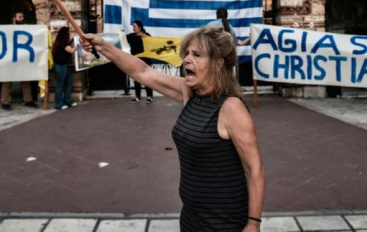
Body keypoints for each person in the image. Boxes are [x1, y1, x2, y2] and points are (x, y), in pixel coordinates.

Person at [83, 25, 265, 230]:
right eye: (186, 53)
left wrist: (253, 223)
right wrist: (105, 47)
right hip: (191, 216)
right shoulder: (190, 93)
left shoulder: (232, 108)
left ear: (217, 64)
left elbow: (254, 169)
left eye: (197, 55)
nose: (187, 59)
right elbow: (143, 72)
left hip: (224, 220)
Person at [0, 10, 38, 110]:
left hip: (22, 59)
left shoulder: (25, 29)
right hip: (10, 59)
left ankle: (28, 100)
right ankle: (5, 101)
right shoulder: (7, 30)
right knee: (7, 81)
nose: (22, 19)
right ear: (14, 19)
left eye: (22, 17)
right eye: (20, 17)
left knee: (25, 80)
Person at [52, 27, 80, 109]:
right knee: (60, 85)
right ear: (65, 34)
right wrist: (77, 46)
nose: (69, 34)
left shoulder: (58, 42)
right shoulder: (63, 42)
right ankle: (59, 104)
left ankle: (68, 102)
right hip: (61, 65)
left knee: (69, 82)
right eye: (68, 32)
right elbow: (70, 50)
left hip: (63, 65)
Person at [127, 20, 153, 103]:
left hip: (145, 61)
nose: (133, 28)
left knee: (147, 79)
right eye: (132, 26)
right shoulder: (131, 36)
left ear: (140, 27)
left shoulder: (146, 36)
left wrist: (145, 37)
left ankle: (149, 96)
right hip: (135, 60)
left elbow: (153, 45)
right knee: (136, 78)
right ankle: (137, 96)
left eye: (134, 26)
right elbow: (122, 39)